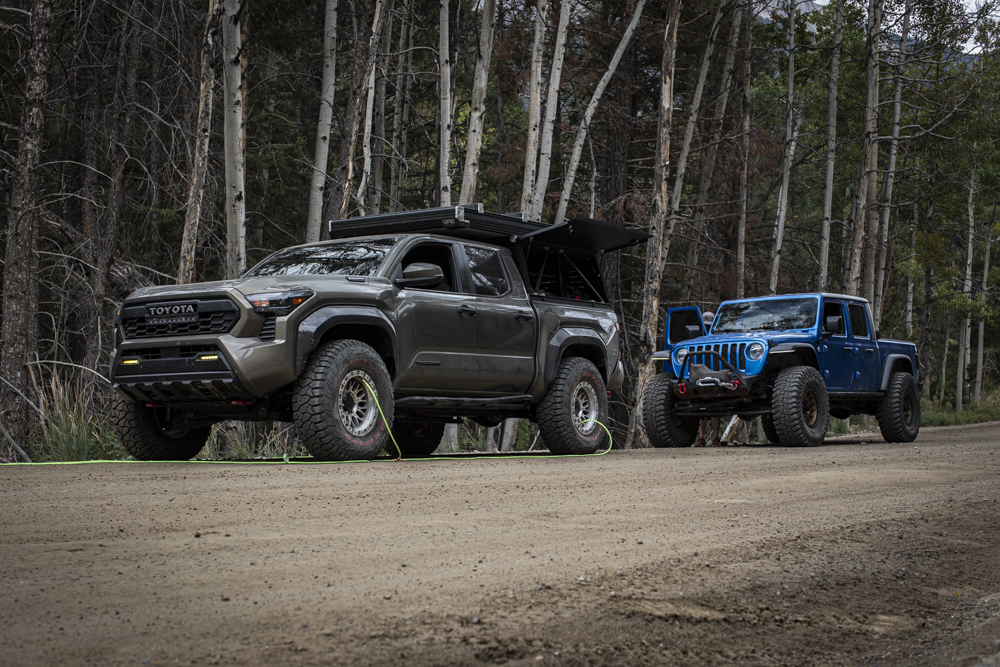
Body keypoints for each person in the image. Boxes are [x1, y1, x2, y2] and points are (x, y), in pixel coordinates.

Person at [691, 309, 722, 447]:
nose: (707, 328)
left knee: (716, 407)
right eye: (706, 326)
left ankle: (715, 437)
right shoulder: (697, 339)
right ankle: (701, 437)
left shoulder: (720, 337)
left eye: (710, 326)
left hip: (715, 373)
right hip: (700, 374)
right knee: (702, 408)